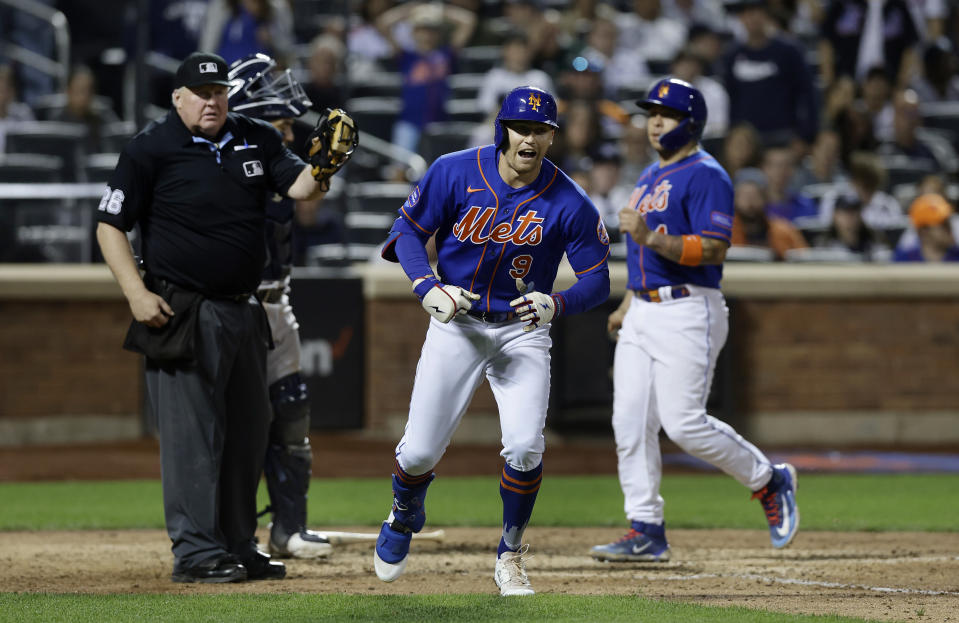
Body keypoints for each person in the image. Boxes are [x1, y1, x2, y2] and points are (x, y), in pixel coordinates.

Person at [95, 52, 353, 583]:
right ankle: (196, 553)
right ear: (178, 97)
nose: (211, 101)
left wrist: (323, 167)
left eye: (218, 92)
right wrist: (136, 294)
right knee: (194, 437)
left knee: (247, 433)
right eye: (200, 92)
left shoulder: (255, 136)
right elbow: (109, 225)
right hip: (183, 310)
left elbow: (299, 187)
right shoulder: (151, 148)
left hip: (244, 307)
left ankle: (240, 544)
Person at [374, 85, 611, 595]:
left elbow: (599, 280)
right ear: (501, 129)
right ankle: (403, 509)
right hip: (457, 322)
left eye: (540, 130)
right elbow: (407, 232)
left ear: (552, 136)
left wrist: (560, 303)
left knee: (525, 446)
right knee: (416, 454)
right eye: (521, 128)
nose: (530, 138)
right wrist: (425, 285)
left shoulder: (568, 199)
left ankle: (510, 554)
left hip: (522, 331)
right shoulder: (454, 169)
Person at [590, 78, 799, 563]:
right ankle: (646, 528)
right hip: (644, 308)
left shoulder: (707, 174)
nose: (655, 121)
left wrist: (652, 238)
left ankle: (769, 478)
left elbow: (713, 247)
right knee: (629, 423)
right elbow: (643, 254)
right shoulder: (647, 175)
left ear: (691, 123)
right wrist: (628, 301)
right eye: (651, 113)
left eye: (665, 113)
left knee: (683, 424)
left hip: (689, 307)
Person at [226, 53, 357, 560]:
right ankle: (231, 533)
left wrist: (320, 167)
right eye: (279, 122)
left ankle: (289, 528)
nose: (288, 130)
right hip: (236, 306)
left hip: (278, 303)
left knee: (293, 411)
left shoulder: (278, 160)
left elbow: (302, 197)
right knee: (239, 424)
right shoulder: (231, 160)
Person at [730, 167, 808, 260]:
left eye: (755, 195)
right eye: (744, 196)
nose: (749, 202)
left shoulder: (783, 231)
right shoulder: (724, 232)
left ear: (765, 198)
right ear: (734, 199)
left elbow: (804, 258)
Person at [894, 193, 959, 262]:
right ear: (923, 231)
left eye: (948, 224)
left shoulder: (957, 255)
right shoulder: (904, 259)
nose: (950, 229)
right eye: (944, 225)